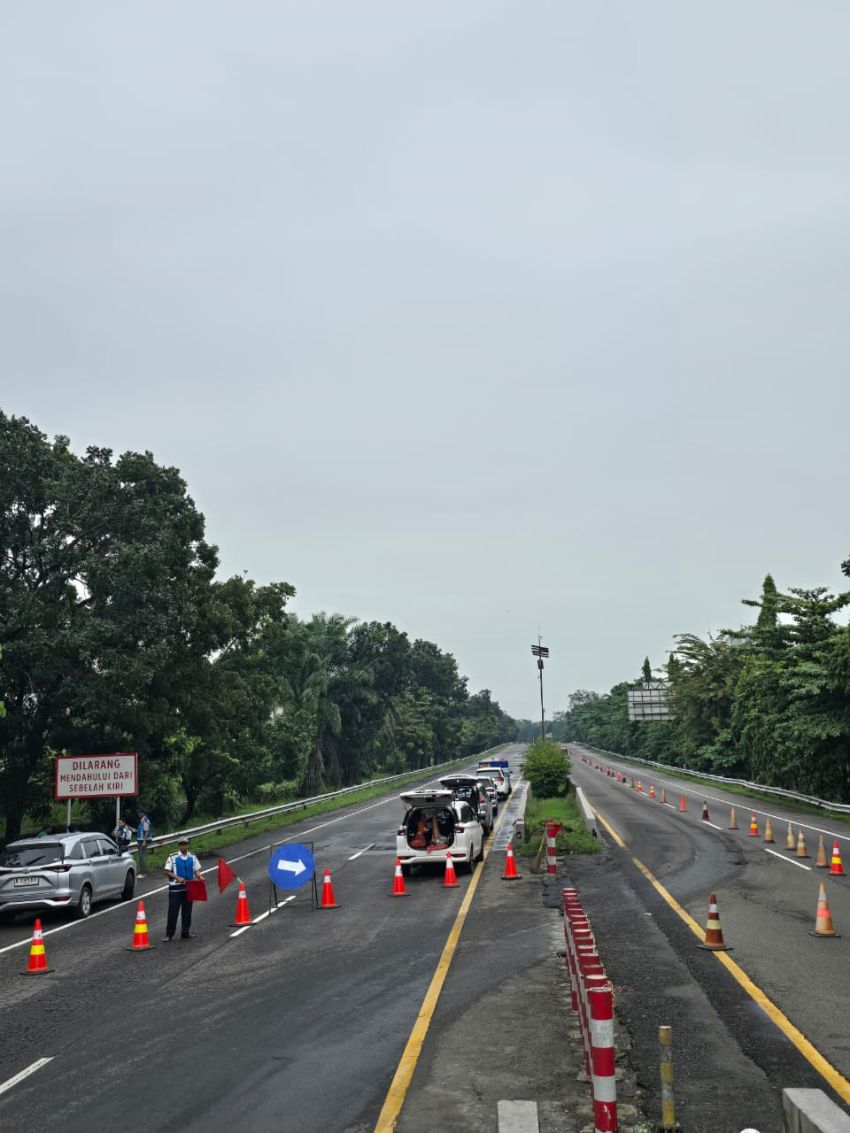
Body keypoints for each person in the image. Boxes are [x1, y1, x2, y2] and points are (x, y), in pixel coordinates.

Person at [163, 839, 202, 941]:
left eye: (185, 844)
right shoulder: (172, 857)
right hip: (175, 889)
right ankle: (169, 934)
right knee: (173, 912)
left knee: (187, 911)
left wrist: (200, 877)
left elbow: (196, 871)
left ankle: (185, 932)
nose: (183, 846)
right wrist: (177, 878)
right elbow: (166, 871)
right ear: (179, 846)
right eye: (181, 844)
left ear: (188, 845)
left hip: (189, 888)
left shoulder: (192, 857)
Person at [136, 810, 151, 878]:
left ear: (143, 813)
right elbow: (142, 830)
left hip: (143, 841)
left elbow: (146, 831)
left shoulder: (145, 820)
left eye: (139, 812)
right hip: (141, 840)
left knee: (141, 857)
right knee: (141, 856)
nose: (138, 814)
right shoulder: (142, 820)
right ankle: (143, 871)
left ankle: (143, 873)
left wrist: (144, 841)